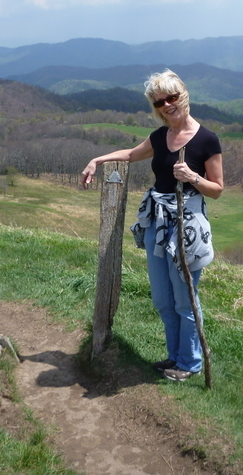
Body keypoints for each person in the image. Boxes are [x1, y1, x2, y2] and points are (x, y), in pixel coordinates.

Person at [81, 69, 223, 382]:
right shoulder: (161, 137)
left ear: (183, 95)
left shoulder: (206, 139)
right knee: (162, 298)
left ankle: (190, 363)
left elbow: (217, 189)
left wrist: (194, 178)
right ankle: (175, 357)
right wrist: (98, 160)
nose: (167, 105)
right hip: (157, 225)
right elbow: (131, 154)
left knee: (185, 299)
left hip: (187, 226)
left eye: (172, 97)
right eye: (160, 102)